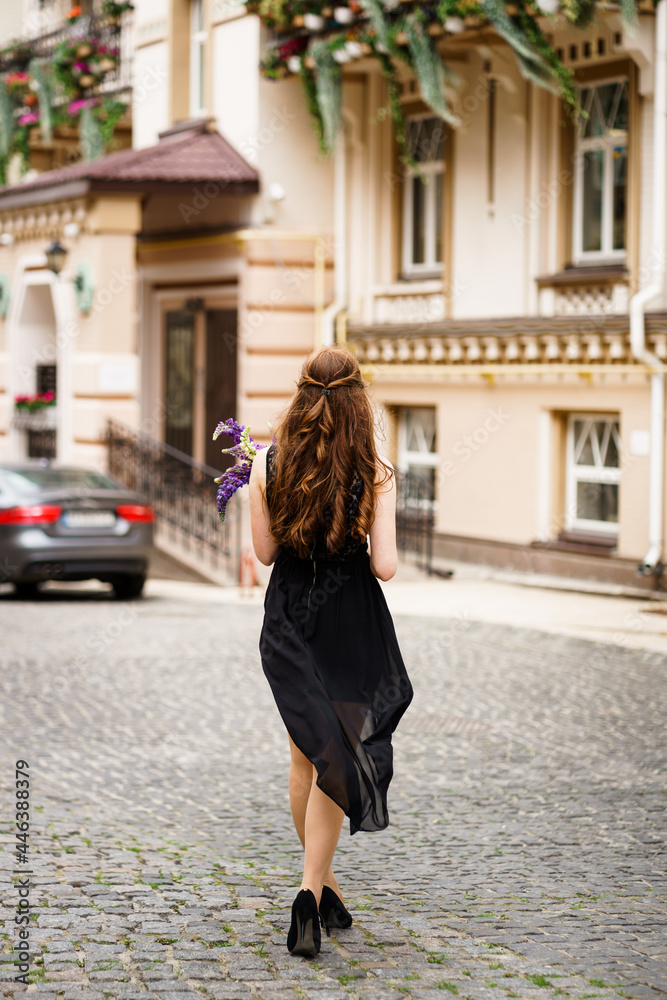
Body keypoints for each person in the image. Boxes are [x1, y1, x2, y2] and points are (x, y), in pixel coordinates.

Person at [249, 344, 413, 958]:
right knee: (334, 759)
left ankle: (324, 890)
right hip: (349, 621)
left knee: (306, 760)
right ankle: (306, 896)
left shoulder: (266, 465)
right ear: (357, 398)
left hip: (291, 619)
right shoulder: (375, 468)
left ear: (301, 394)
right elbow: (386, 566)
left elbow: (265, 555)